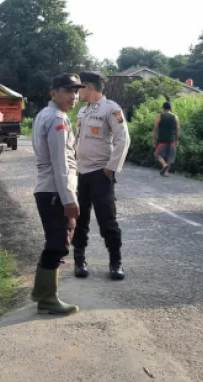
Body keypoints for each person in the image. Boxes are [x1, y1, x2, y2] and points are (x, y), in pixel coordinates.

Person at [30, 73, 84, 316]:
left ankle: (41, 292)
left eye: (76, 91)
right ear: (54, 92)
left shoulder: (46, 114)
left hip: (49, 188)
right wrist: (69, 200)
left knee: (56, 242)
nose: (73, 96)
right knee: (58, 244)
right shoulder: (56, 119)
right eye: (67, 90)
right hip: (55, 190)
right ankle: (48, 299)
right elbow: (61, 163)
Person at [72, 71, 130, 281]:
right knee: (79, 219)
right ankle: (79, 261)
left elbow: (123, 139)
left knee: (107, 220)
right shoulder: (83, 112)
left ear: (89, 87)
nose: (77, 93)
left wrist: (111, 167)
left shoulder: (111, 109)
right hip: (81, 173)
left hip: (100, 174)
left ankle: (116, 263)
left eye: (79, 88)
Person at [152, 101, 180, 177]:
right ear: (171, 108)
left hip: (162, 140)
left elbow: (155, 129)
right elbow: (177, 129)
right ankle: (166, 172)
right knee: (170, 157)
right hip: (172, 140)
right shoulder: (175, 117)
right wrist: (177, 140)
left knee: (157, 154)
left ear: (163, 108)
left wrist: (153, 139)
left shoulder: (159, 116)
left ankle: (164, 165)